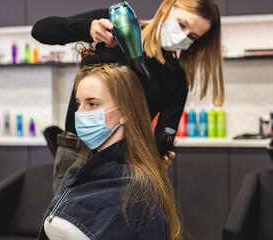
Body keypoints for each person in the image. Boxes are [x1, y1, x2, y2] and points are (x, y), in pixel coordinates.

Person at [31, 0, 225, 194]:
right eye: (182, 24)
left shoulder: (175, 79)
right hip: (75, 153)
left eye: (192, 36)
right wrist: (89, 28)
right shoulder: (117, 25)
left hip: (123, 165)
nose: (182, 36)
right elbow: (41, 30)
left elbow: (165, 134)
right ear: (167, 8)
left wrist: (160, 154)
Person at [38, 50, 182, 240]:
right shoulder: (76, 173)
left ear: (125, 112)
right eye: (79, 103)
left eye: (93, 104)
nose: (80, 113)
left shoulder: (138, 189)